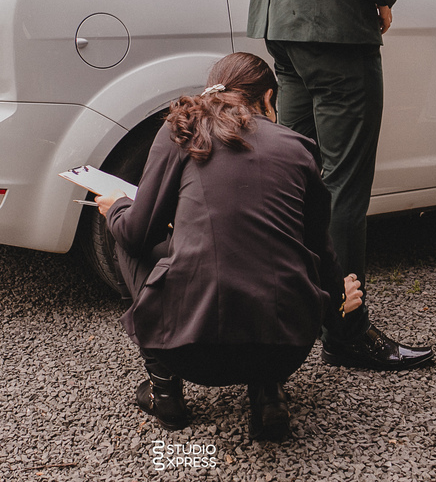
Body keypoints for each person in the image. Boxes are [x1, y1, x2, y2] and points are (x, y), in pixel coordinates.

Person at [248, 0, 433, 371]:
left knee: (294, 179)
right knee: (343, 186)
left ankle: (288, 314)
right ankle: (348, 334)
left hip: (280, 23)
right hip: (334, 27)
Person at [97, 53, 364, 441]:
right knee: (271, 260)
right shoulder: (299, 147)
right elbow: (319, 248)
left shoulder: (184, 132)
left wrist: (116, 207)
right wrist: (339, 298)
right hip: (286, 347)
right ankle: (268, 394)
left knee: (127, 238)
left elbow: (138, 233)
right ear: (269, 100)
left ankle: (165, 392)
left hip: (188, 352)